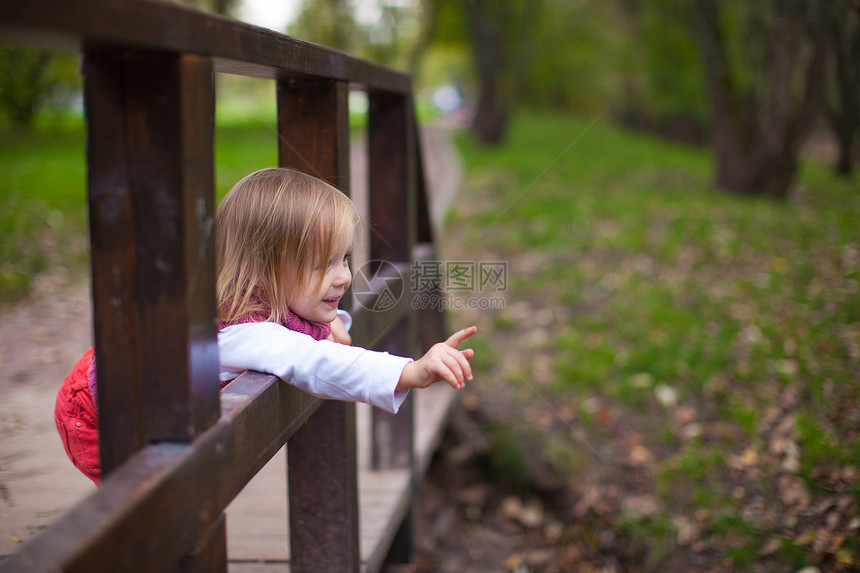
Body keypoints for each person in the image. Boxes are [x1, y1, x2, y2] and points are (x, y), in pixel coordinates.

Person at [55, 167, 476, 484]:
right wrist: (412, 370)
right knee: (155, 516)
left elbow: (306, 331)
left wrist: (335, 326)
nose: (344, 277)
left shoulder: (257, 302)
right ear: (265, 269)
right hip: (100, 414)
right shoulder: (248, 333)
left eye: (343, 259)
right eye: (322, 264)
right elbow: (316, 363)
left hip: (117, 383)